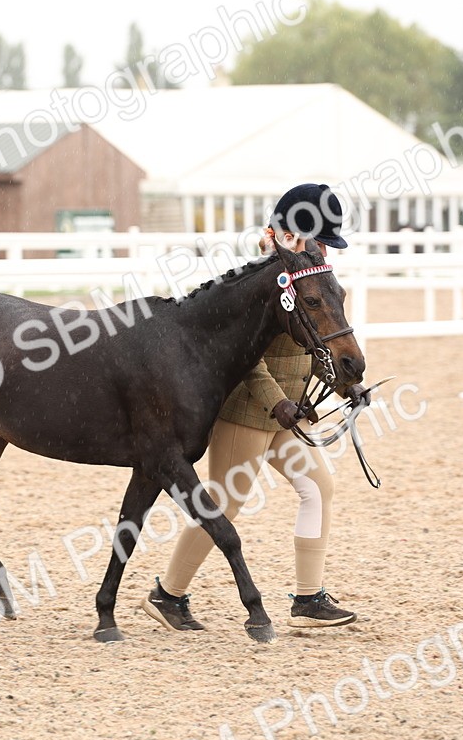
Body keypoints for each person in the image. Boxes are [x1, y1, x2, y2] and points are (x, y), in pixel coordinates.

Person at [141, 183, 358, 632]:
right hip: (248, 410)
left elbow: (317, 344)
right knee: (225, 502)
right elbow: (247, 359)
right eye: (317, 238)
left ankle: (308, 598)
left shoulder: (311, 275)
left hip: (286, 412)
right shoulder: (257, 281)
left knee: (318, 487)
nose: (322, 249)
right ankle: (168, 594)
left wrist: (344, 384)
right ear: (294, 234)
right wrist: (278, 402)